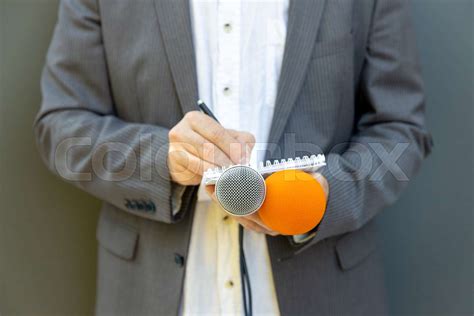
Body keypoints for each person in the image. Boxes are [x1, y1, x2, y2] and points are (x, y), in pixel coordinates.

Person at [35, 0, 432, 314]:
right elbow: (61, 127)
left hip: (324, 290)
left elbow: (401, 130)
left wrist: (328, 196)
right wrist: (161, 159)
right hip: (149, 292)